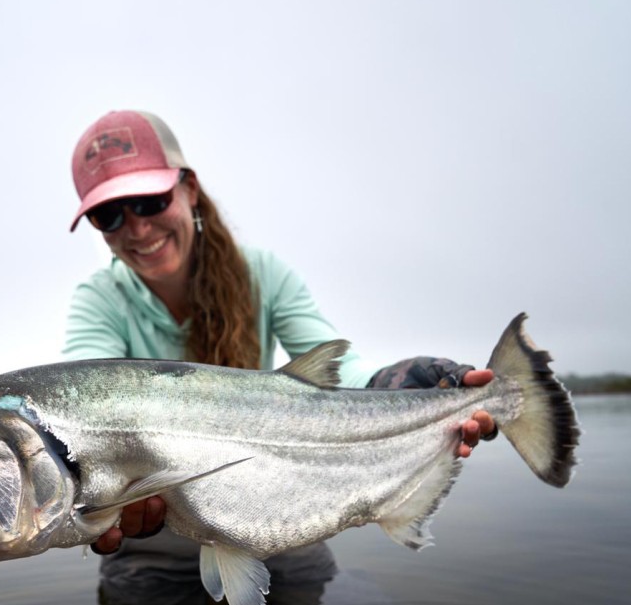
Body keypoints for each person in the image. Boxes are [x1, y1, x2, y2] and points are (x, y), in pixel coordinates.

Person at [63, 109, 497, 565]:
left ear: (189, 190)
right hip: (151, 547)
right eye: (108, 215)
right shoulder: (99, 301)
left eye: (151, 201)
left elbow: (335, 367)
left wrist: (392, 382)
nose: (137, 227)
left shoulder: (265, 275)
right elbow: (82, 406)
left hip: (273, 513)